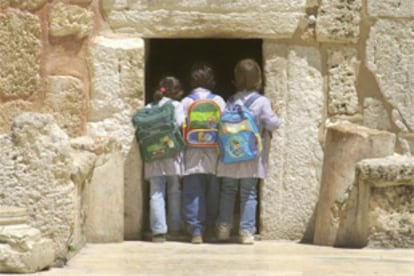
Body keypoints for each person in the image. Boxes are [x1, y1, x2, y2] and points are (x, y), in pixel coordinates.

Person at [216, 58, 281, 244]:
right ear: (258, 79)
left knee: (227, 191)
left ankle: (223, 228)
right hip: (251, 157)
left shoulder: (229, 101)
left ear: (236, 79)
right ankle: (246, 232)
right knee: (249, 193)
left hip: (229, 155)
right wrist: (276, 114)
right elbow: (273, 124)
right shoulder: (261, 102)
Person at [181, 62, 226, 244]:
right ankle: (211, 227)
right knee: (213, 190)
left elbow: (178, 122)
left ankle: (196, 230)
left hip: (192, 150)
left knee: (193, 190)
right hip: (213, 150)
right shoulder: (218, 101)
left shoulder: (187, 101)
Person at [144, 76, 185, 242]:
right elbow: (182, 124)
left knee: (156, 192)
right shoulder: (176, 106)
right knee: (174, 190)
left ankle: (158, 231)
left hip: (153, 154)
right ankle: (175, 227)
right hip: (172, 154)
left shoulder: (149, 106)